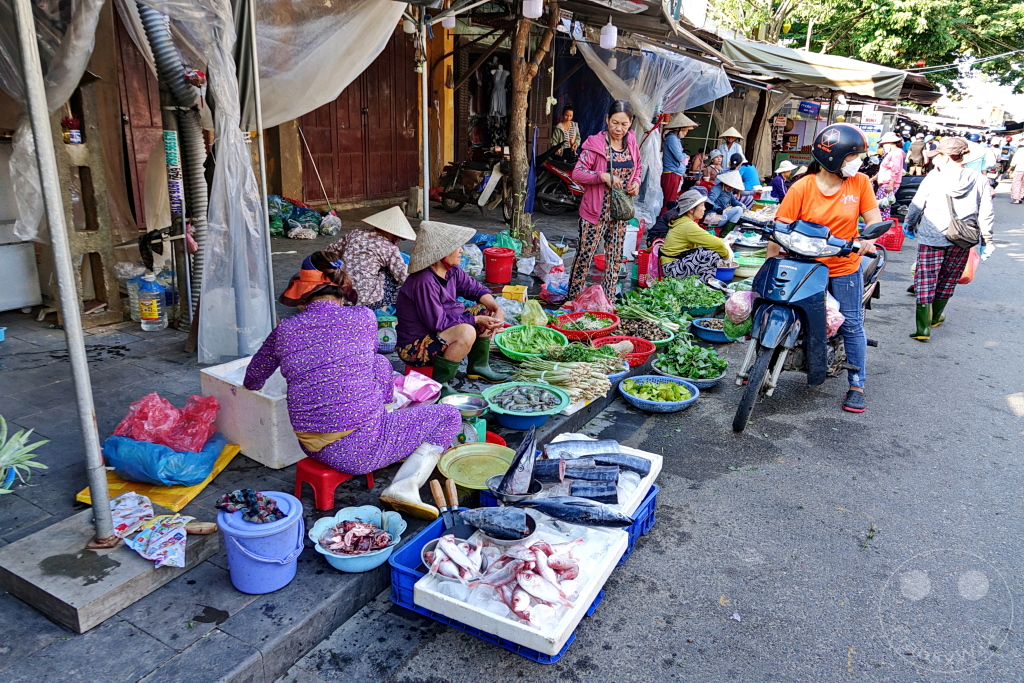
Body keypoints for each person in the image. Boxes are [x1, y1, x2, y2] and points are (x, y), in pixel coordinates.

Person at [244, 253, 461, 519]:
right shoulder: (364, 317)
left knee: (379, 365)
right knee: (449, 416)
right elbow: (364, 360)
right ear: (342, 291)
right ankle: (405, 486)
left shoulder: (285, 329)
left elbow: (252, 380)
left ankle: (383, 422)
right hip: (359, 451)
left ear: (303, 297)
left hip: (310, 445)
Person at [771, 123, 882, 414]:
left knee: (851, 323)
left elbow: (873, 218)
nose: (857, 162)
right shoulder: (802, 187)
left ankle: (857, 382)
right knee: (778, 307)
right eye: (852, 156)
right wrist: (771, 262)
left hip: (844, 265)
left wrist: (868, 238)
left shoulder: (859, 183)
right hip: (805, 265)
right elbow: (779, 229)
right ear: (834, 157)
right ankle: (765, 361)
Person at [395, 221, 508, 392]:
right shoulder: (424, 280)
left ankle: (478, 367)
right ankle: (441, 385)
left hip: (439, 332)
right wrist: (475, 319)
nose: (461, 250)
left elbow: (476, 289)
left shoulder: (452, 270)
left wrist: (497, 309)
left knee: (486, 310)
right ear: (441, 252)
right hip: (414, 347)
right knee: (467, 331)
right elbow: (437, 323)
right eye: (457, 247)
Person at [903, 137, 994, 341]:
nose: (935, 160)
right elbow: (986, 212)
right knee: (948, 278)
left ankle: (922, 328)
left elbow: (917, 204)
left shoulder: (934, 178)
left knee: (925, 279)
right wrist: (987, 240)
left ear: (945, 156)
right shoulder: (979, 179)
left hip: (932, 236)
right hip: (962, 238)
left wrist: (910, 224)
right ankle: (935, 318)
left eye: (938, 155)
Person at [568, 99, 643, 301]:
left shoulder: (632, 143)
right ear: (607, 119)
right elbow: (578, 173)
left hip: (619, 213)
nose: (619, 128)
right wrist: (602, 176)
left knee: (615, 258)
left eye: (624, 124)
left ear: (631, 123)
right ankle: (573, 299)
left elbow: (638, 168)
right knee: (585, 256)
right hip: (595, 212)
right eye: (615, 122)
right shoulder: (596, 144)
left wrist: (636, 182)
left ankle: (608, 300)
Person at [323, 206, 415, 312]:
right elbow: (403, 277)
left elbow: (328, 253)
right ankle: (383, 308)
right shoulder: (390, 248)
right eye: (399, 237)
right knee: (391, 274)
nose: (399, 240)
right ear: (391, 233)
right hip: (368, 303)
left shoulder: (354, 234)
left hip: (343, 298)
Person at [659, 189, 733, 281]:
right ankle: (702, 282)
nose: (704, 209)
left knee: (709, 250)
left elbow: (710, 240)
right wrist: (727, 258)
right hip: (672, 268)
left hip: (674, 263)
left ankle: (702, 282)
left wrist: (724, 241)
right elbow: (718, 245)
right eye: (702, 205)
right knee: (713, 254)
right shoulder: (688, 226)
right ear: (691, 210)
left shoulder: (685, 221)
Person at [661, 112, 698, 212]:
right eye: (685, 130)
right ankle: (663, 224)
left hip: (675, 173)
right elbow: (678, 156)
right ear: (679, 128)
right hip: (671, 173)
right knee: (669, 202)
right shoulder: (672, 138)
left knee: (671, 200)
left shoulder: (675, 139)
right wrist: (685, 156)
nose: (686, 133)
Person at [872, 131, 906, 220]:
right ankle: (881, 225)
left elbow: (896, 169)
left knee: (882, 206)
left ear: (890, 143)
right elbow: (887, 168)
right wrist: (874, 178)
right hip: (885, 184)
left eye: (884, 144)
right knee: (883, 206)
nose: (883, 146)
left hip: (888, 185)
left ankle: (881, 226)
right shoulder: (894, 153)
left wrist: (891, 185)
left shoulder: (896, 153)